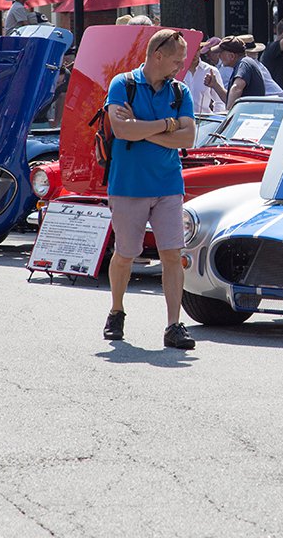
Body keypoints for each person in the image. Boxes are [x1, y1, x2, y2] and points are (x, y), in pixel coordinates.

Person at [103, 29, 197, 349]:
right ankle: (117, 310)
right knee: (126, 254)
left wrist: (141, 130)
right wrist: (167, 125)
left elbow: (188, 139)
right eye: (176, 60)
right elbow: (119, 129)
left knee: (172, 254)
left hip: (169, 183)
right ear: (157, 56)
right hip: (129, 185)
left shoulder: (180, 92)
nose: (180, 67)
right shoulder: (123, 85)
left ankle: (173, 325)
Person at [218, 37, 271, 108]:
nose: (219, 56)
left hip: (249, 116)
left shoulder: (243, 63)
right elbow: (230, 99)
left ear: (232, 56)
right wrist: (215, 84)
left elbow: (237, 88)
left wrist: (229, 112)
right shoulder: (242, 64)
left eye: (221, 53)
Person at [184, 43, 226, 113]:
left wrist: (215, 120)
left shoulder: (211, 71)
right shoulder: (175, 71)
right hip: (181, 121)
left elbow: (219, 102)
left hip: (204, 120)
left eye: (197, 50)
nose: (194, 54)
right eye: (191, 50)